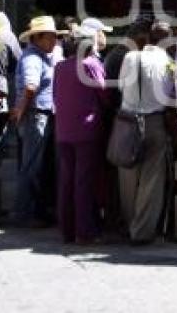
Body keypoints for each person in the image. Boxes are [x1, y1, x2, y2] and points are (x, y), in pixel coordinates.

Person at [53, 23, 109, 244]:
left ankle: (67, 229)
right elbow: (104, 95)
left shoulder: (60, 67)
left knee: (66, 180)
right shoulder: (91, 64)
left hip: (64, 130)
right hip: (87, 130)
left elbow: (56, 95)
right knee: (84, 181)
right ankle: (84, 231)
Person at [116, 21, 172, 244]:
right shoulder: (168, 63)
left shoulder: (130, 58)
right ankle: (141, 231)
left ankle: (129, 224)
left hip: (128, 122)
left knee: (128, 176)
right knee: (151, 180)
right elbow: (168, 96)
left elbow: (121, 86)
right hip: (154, 122)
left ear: (149, 37)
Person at [11, 15, 66, 227]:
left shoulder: (43, 56)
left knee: (38, 165)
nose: (54, 41)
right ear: (38, 38)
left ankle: (37, 211)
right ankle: (26, 213)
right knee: (32, 165)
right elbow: (31, 86)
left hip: (42, 114)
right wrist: (21, 111)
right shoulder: (32, 57)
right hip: (36, 115)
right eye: (51, 37)